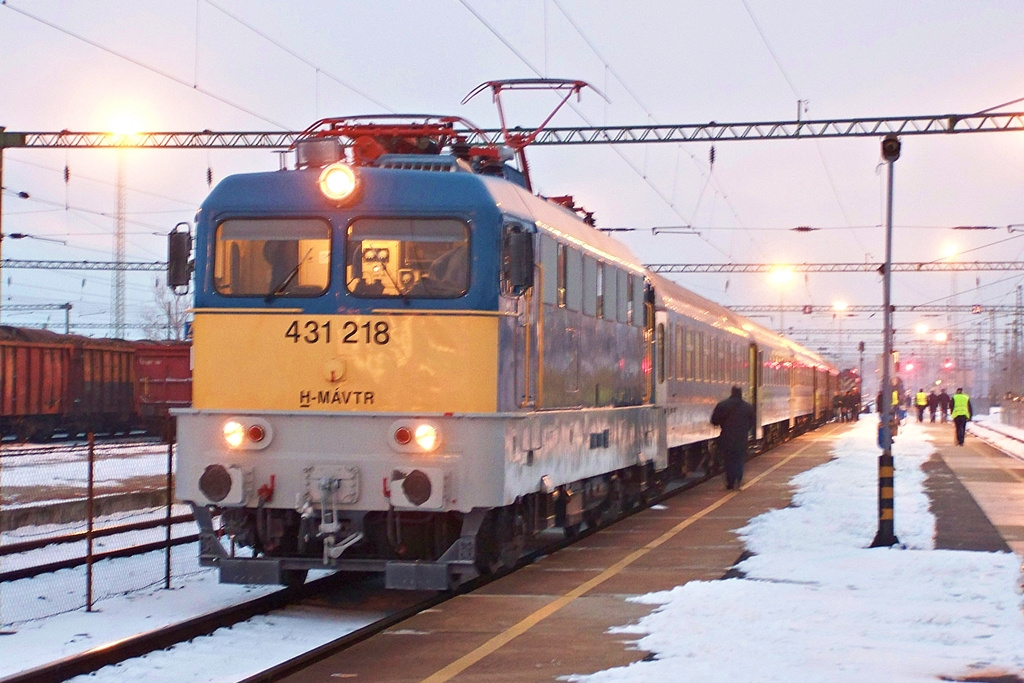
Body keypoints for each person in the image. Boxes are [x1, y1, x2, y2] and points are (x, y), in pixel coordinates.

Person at [711, 386, 756, 490]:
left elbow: (714, 420)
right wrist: (745, 429)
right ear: (741, 394)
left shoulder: (722, 405)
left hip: (726, 437)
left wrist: (723, 424)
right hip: (741, 438)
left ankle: (730, 482)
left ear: (731, 393)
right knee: (739, 459)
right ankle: (738, 479)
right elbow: (752, 422)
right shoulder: (747, 407)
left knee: (728, 459)